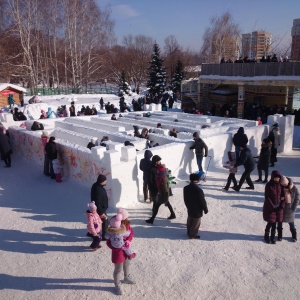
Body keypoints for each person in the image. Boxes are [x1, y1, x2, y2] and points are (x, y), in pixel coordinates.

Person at [106, 208, 136, 295]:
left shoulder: (127, 224)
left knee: (127, 264)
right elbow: (108, 242)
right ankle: (117, 284)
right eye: (126, 218)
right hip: (118, 252)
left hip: (126, 250)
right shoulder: (114, 226)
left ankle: (126, 277)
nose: (127, 219)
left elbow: (131, 233)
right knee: (118, 269)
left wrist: (128, 241)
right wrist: (115, 247)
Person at [183, 173, 208, 239]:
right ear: (198, 180)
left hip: (189, 207)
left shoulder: (185, 188)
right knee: (196, 223)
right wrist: (205, 209)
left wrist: (187, 206)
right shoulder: (199, 190)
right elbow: (202, 201)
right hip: (197, 210)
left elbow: (185, 199)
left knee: (190, 219)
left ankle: (189, 231)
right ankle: (192, 235)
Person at [263, 170, 284, 244]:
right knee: (270, 222)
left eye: (278, 177)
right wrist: (273, 207)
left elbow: (283, 197)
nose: (277, 179)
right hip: (270, 207)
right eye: (275, 177)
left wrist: (281, 206)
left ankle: (272, 237)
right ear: (272, 177)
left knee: (275, 223)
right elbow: (267, 197)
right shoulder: (269, 185)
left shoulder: (281, 185)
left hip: (278, 208)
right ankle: (266, 236)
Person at [278, 176, 299, 242]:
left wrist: (294, 208)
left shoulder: (294, 188)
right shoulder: (279, 188)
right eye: (283, 184)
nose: (285, 185)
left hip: (290, 208)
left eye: (285, 184)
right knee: (279, 224)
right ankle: (279, 236)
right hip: (281, 208)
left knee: (291, 224)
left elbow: (297, 198)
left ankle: (294, 236)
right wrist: (280, 199)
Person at [91, 174, 108, 241]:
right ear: (102, 181)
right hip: (100, 209)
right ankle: (104, 236)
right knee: (105, 222)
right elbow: (98, 202)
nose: (106, 181)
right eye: (105, 180)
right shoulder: (98, 189)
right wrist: (101, 212)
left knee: (101, 222)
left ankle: (93, 233)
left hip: (99, 209)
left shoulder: (96, 185)